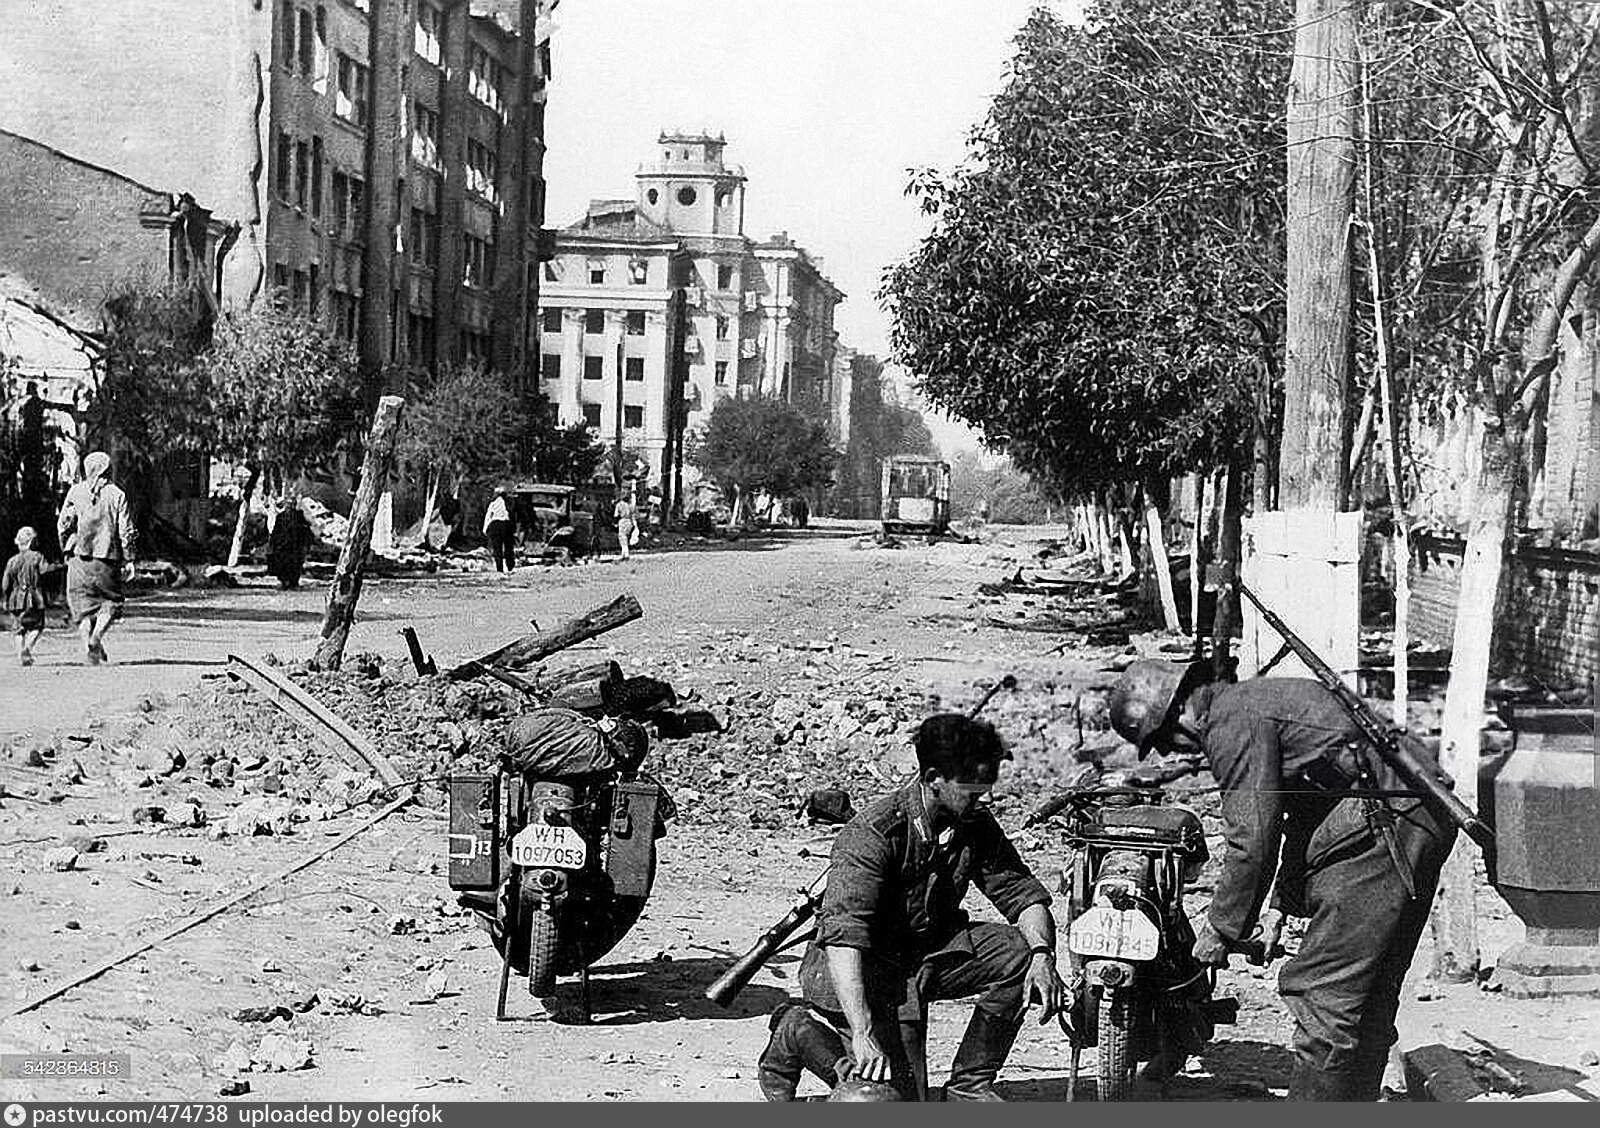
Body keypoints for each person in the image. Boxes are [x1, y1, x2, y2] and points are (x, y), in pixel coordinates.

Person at [1106, 659, 1456, 1101]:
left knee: (1323, 992)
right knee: (1368, 993)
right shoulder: (1255, 702)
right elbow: (1304, 810)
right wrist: (1279, 906)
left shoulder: (1232, 721)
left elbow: (1252, 837)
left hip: (1383, 828)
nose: (1175, 753)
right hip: (1414, 817)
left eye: (1163, 742)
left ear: (1176, 716)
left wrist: (1221, 928)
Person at [756, 713, 1067, 1102]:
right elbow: (844, 941)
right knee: (888, 1102)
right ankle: (797, 1030)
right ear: (934, 777)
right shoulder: (874, 833)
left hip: (924, 956)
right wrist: (865, 1032)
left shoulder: (972, 821)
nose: (983, 794)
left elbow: (1024, 896)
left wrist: (1042, 954)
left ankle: (968, 1087)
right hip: (864, 971)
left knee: (1018, 953)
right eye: (972, 785)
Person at [56, 451, 136, 666]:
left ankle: (87, 645)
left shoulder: (75, 491)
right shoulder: (117, 494)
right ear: (108, 469)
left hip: (78, 559)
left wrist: (66, 549)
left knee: (81, 606)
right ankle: (97, 636)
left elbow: (63, 524)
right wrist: (129, 558)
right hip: (106, 560)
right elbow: (126, 531)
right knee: (111, 602)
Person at [2, 526, 48, 666]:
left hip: (15, 599)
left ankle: (20, 654)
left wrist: (6, 597)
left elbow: (5, 582)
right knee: (37, 626)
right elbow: (45, 571)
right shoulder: (37, 557)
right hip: (34, 598)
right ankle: (27, 648)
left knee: (18, 629)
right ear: (33, 542)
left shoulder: (12, 560)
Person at [265, 495, 314, 590]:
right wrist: (273, 543)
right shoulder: (281, 516)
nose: (289, 506)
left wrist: (307, 544)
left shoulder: (300, 516)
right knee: (283, 564)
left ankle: (293, 583)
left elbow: (306, 530)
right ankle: (284, 582)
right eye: (288, 504)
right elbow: (276, 531)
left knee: (295, 565)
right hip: (283, 546)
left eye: (291, 504)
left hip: (296, 546)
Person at [483, 486, 516, 572]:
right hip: (506, 525)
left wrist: (485, 529)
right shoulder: (509, 503)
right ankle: (510, 566)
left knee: (497, 549)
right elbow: (512, 516)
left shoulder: (492, 504)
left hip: (495, 525)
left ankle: (500, 568)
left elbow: (488, 517)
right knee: (508, 547)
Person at [613, 493, 637, 561]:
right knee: (627, 537)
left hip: (622, 521)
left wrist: (614, 523)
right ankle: (624, 554)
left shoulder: (619, 505)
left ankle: (626, 554)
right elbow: (633, 515)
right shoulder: (631, 505)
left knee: (622, 538)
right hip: (629, 522)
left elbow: (616, 515)